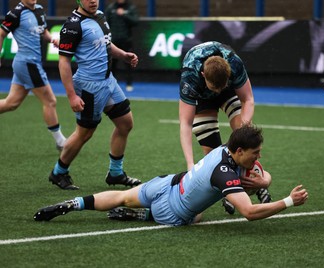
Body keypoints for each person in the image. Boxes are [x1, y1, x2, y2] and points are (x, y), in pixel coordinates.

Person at [34, 124, 309, 226]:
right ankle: (144, 216)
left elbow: (260, 171)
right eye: (255, 152)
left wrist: (265, 180)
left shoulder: (225, 150)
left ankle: (74, 204)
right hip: (173, 211)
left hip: (170, 182)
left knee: (120, 196)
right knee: (196, 215)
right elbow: (248, 213)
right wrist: (287, 202)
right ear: (239, 150)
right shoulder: (225, 174)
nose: (258, 157)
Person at [48, 0, 141, 190]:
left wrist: (123, 55)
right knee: (85, 132)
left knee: (125, 123)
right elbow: (63, 62)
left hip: (109, 81)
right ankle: (58, 172)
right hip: (89, 86)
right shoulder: (73, 25)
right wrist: (72, 96)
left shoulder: (99, 15)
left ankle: (115, 173)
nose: (93, 0)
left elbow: (106, 43)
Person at [179, 41, 270, 214]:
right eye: (215, 88)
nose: (217, 92)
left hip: (228, 90)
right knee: (212, 152)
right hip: (202, 96)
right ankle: (227, 191)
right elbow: (185, 123)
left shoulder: (234, 63)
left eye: (221, 87)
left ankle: (257, 179)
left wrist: (243, 128)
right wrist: (190, 163)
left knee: (242, 136)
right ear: (203, 74)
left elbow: (248, 99)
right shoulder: (190, 76)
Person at [0, 0, 66, 151]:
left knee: (11, 103)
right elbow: (1, 33)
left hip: (29, 64)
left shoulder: (39, 10)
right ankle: (61, 142)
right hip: (28, 63)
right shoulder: (15, 13)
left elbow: (43, 31)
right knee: (50, 101)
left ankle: (61, 142)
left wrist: (52, 39)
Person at [105, 0, 139, 92]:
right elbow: (105, 23)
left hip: (126, 40)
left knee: (128, 63)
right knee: (112, 64)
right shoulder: (110, 8)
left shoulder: (130, 7)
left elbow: (136, 21)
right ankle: (111, 84)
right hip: (113, 41)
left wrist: (124, 14)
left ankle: (129, 83)